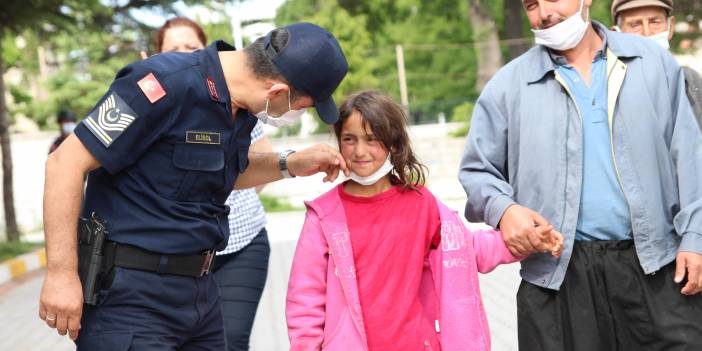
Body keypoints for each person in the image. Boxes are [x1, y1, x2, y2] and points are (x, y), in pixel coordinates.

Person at [38, 22, 349, 351]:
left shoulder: (241, 108)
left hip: (200, 296)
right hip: (131, 301)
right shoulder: (159, 85)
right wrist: (61, 274)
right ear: (277, 92)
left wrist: (289, 164)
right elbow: (64, 164)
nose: (296, 115)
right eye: (302, 107)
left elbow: (227, 172)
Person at [459, 0, 702, 349]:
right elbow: (477, 170)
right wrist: (504, 209)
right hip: (557, 276)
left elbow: (691, 158)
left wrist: (695, 237)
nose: (544, 13)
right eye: (531, 5)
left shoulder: (652, 64)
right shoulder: (508, 87)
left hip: (658, 265)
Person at [286, 91, 563, 351]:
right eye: (349, 139)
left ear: (394, 143)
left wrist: (527, 239)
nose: (360, 151)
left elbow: (467, 249)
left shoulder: (421, 204)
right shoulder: (324, 216)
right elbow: (305, 300)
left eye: (372, 139)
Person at [154, 17, 275, 351]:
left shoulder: (235, 97)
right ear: (153, 56)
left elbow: (262, 157)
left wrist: (222, 192)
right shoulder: (150, 104)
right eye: (173, 48)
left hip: (240, 243)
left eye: (191, 47)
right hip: (175, 253)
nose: (183, 54)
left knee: (229, 341)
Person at [611, 0, 702, 130]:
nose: (647, 33)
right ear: (616, 35)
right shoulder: (607, 89)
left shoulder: (690, 81)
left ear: (670, 27)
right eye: (635, 24)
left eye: (655, 22)